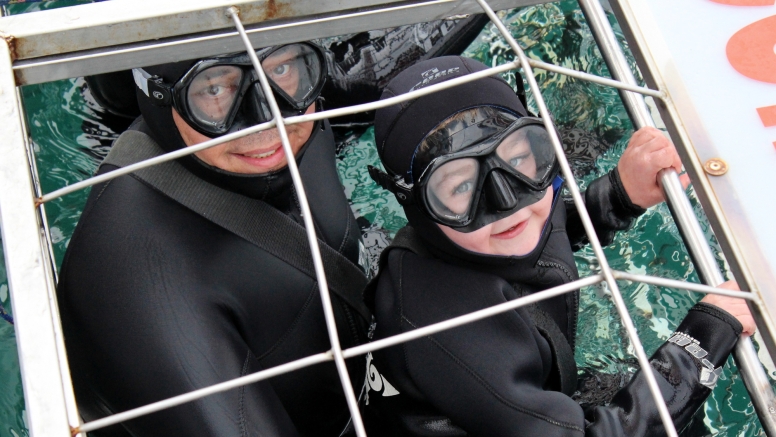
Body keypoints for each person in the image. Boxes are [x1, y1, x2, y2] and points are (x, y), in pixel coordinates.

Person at [363, 56, 755, 436]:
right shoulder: (448, 330)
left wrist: (618, 195)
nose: (506, 202)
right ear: (416, 206)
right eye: (462, 185)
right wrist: (702, 337)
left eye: (517, 158)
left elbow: (545, 230)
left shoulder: (491, 220)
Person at [57, 43, 370, 436]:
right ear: (158, 96)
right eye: (215, 90)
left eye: (282, 68)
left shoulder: (300, 108)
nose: (267, 119)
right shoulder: (136, 285)